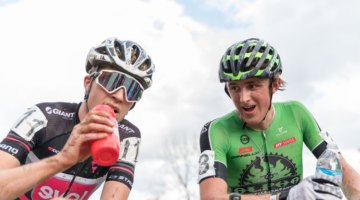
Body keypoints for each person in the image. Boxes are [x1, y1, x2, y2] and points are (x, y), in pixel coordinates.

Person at [198, 38, 360, 200]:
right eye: (234, 88)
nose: (243, 98)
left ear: (275, 84)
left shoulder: (296, 113)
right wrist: (282, 198)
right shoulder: (216, 130)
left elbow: (342, 168)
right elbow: (211, 198)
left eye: (252, 85)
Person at [0, 37, 155, 200]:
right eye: (111, 81)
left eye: (132, 90)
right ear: (88, 83)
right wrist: (61, 161)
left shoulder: (128, 138)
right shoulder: (43, 116)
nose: (118, 96)